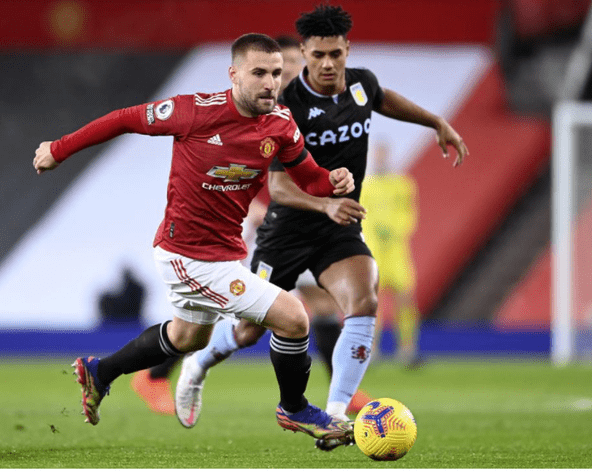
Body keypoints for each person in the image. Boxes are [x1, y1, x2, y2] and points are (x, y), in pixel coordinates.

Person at [32, 33, 356, 443]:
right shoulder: (193, 112)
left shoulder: (281, 123)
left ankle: (101, 372)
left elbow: (309, 177)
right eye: (259, 73)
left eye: (276, 73)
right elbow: (122, 119)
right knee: (293, 316)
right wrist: (58, 149)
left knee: (189, 337)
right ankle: (295, 409)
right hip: (187, 255)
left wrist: (333, 180)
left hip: (222, 255)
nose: (271, 83)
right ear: (234, 74)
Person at [176, 5, 469, 451]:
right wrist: (322, 205)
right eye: (318, 56)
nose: (328, 64)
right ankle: (199, 363)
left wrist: (436, 122)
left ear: (347, 50)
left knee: (364, 299)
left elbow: (383, 98)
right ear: (306, 54)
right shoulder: (286, 105)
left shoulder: (361, 84)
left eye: (336, 54)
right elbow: (276, 185)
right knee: (250, 329)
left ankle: (335, 414)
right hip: (287, 230)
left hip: (338, 228)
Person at [128, 34, 308, 417]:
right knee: (258, 324)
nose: (288, 73)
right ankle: (179, 369)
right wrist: (263, 207)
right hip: (265, 228)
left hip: (300, 225)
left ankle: (341, 393)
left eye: (293, 66)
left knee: (314, 307)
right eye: (282, 65)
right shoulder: (260, 110)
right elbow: (254, 172)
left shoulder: (290, 112)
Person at [360, 140, 420, 366]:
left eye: (383, 153)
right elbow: (360, 216)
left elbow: (410, 213)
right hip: (373, 253)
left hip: (397, 252)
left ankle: (408, 349)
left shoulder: (403, 184)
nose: (380, 158)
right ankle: (372, 350)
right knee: (372, 302)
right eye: (377, 154)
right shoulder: (366, 185)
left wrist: (395, 229)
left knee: (404, 298)